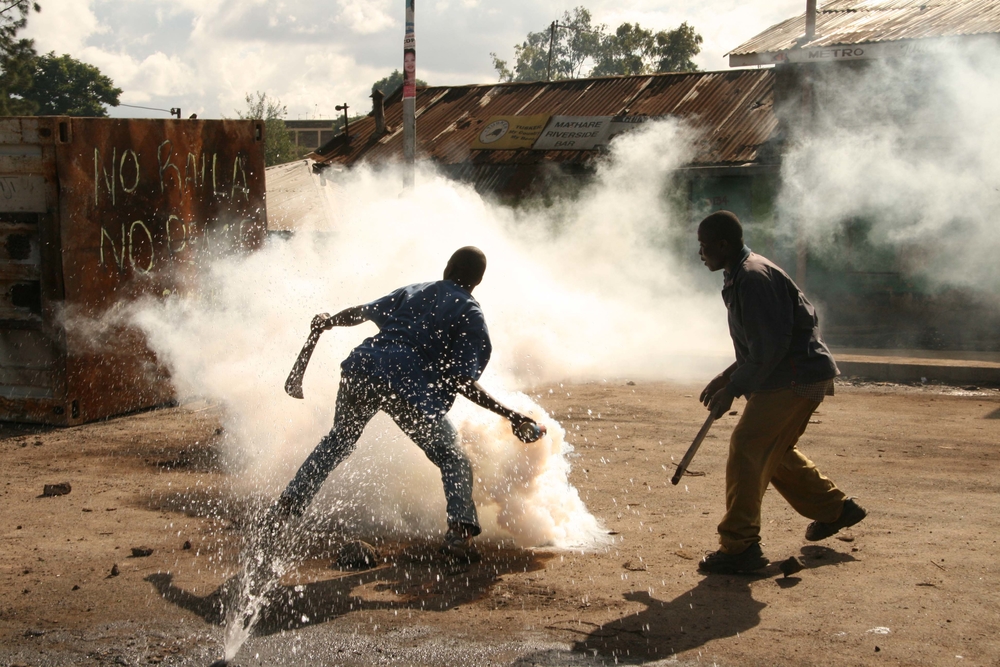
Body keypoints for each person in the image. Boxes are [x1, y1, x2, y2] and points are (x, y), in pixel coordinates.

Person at [269, 246, 543, 561]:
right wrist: (511, 415)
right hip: (406, 384)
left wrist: (329, 322)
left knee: (339, 441)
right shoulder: (469, 313)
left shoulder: (416, 291)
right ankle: (459, 536)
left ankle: (286, 508)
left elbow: (361, 312)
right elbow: (461, 379)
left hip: (362, 366)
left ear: (448, 267)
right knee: (452, 457)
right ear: (478, 281)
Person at [695, 211, 867, 574]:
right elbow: (759, 346)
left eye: (704, 245)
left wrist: (736, 387)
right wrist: (728, 377)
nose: (700, 252)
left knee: (747, 447)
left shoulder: (754, 277)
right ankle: (836, 509)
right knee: (772, 449)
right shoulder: (740, 273)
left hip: (793, 376)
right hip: (787, 374)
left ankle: (740, 546)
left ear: (723, 244)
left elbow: (771, 348)